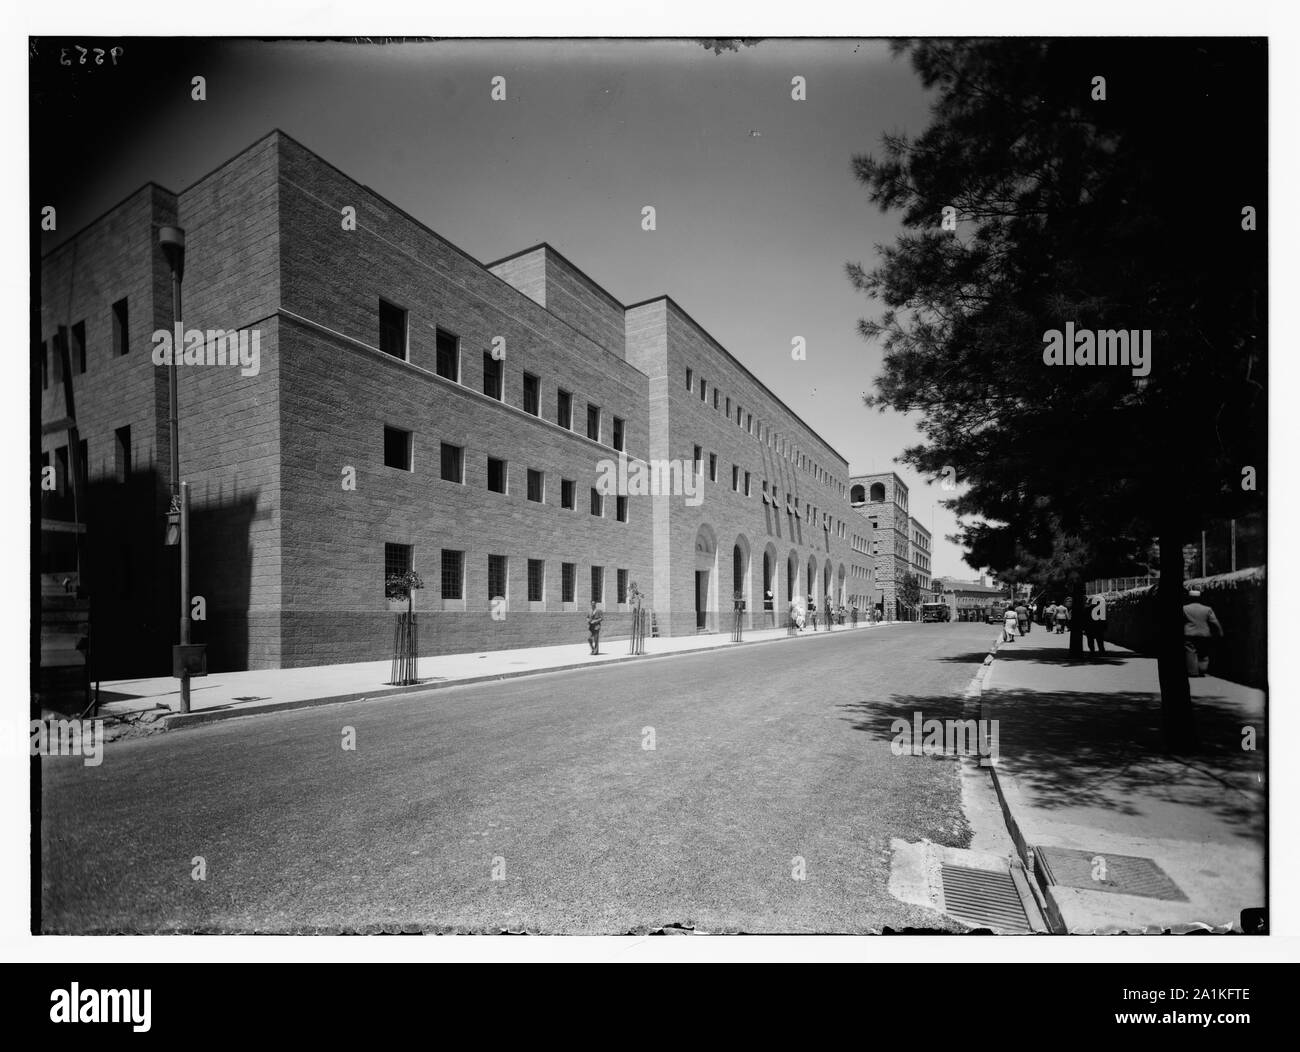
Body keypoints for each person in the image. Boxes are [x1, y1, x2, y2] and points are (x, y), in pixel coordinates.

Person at [1182, 590, 1223, 677]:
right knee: (1203, 651)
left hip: (1189, 634)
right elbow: (1215, 622)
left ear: (1189, 598)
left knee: (1190, 652)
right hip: (1204, 634)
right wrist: (1220, 632)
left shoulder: (1184, 608)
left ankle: (1193, 672)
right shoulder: (1207, 609)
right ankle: (1202, 669)